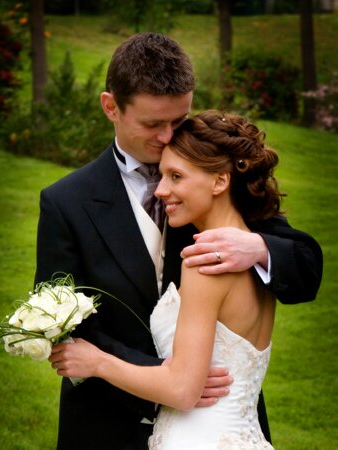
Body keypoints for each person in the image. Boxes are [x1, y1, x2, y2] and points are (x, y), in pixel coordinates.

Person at [36, 33, 322, 450]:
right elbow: (64, 321)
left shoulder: (213, 172)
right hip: (107, 425)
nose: (170, 136)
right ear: (111, 107)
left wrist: (259, 249)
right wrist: (168, 374)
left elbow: (306, 265)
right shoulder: (65, 202)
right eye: (154, 124)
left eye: (179, 119)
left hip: (216, 425)